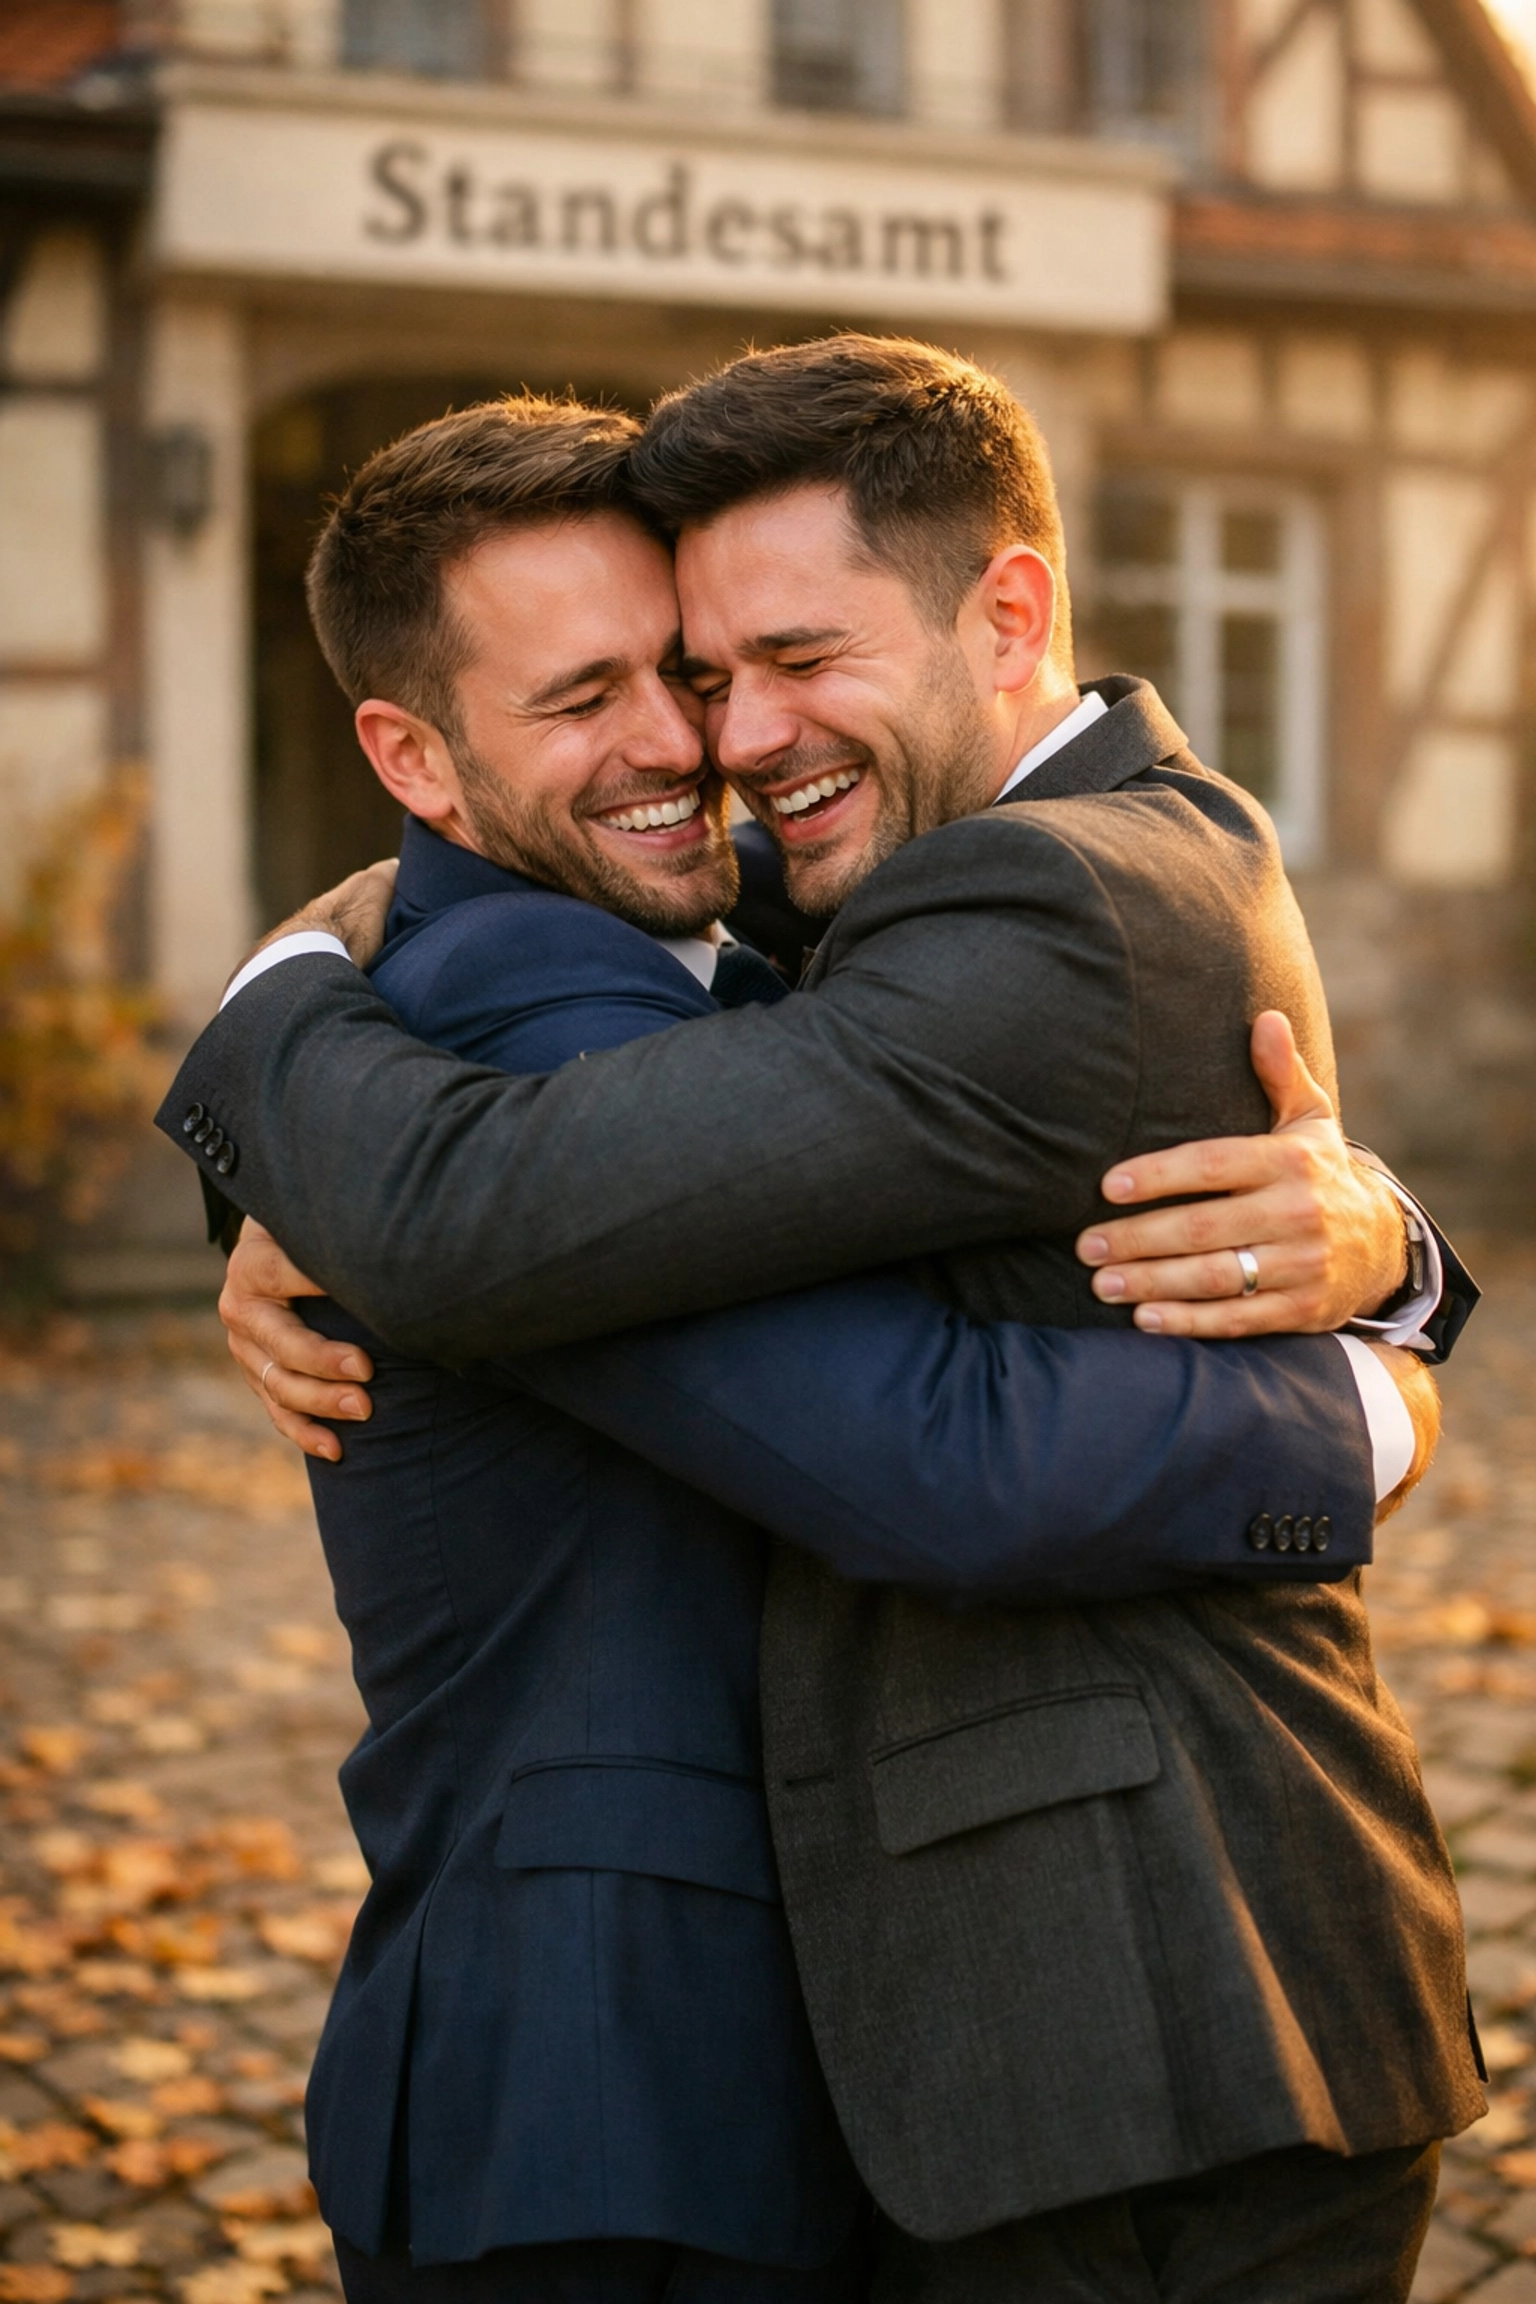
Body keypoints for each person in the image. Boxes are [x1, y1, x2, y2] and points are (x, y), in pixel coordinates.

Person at [168, 343, 1482, 2302]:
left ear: (1010, 611)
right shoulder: (806, 912)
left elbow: (499, 1223)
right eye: (673, 681)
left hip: (1158, 2020)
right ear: (415, 755)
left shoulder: (1042, 902)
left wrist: (261, 1023)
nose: (723, 740)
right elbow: (513, 1165)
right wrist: (1402, 1314)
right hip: (674, 2076)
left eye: (775, 660)